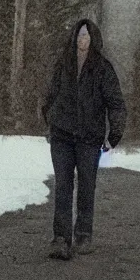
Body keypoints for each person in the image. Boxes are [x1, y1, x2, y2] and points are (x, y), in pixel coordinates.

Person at [41, 18, 126, 260]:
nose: (82, 40)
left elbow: (116, 104)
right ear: (73, 38)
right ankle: (61, 239)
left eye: (86, 36)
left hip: (90, 139)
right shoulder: (63, 64)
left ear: (93, 39)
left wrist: (114, 135)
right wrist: (49, 119)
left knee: (87, 187)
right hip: (62, 136)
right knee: (63, 186)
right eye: (79, 36)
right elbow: (50, 94)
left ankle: (83, 235)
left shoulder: (102, 68)